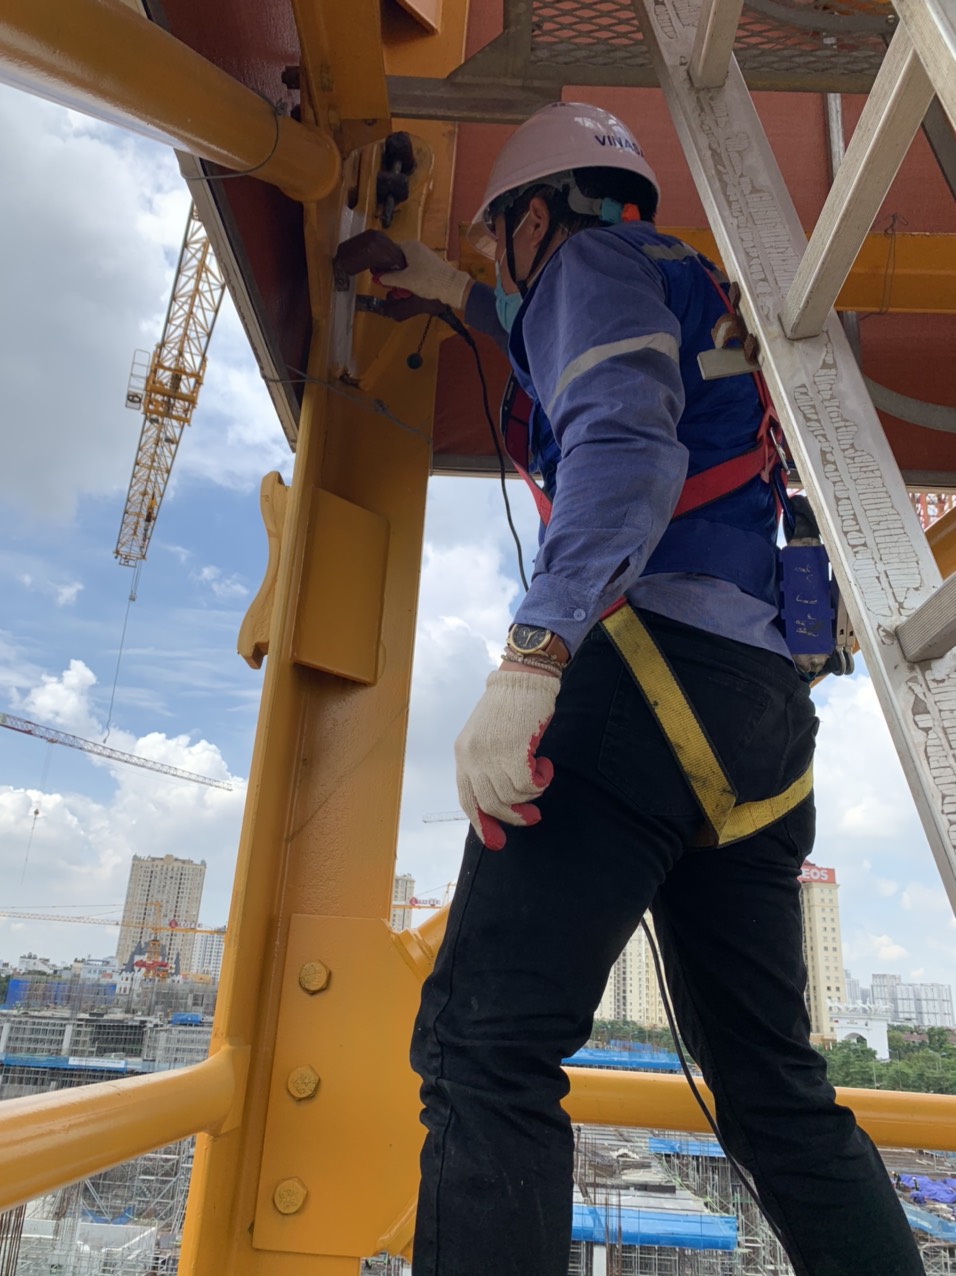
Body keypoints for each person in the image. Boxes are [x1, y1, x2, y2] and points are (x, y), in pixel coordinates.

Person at [379, 102, 924, 1276]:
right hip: (760, 717)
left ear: (535, 217)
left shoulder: (587, 264)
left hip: (641, 675)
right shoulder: (685, 280)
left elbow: (625, 447)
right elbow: (561, 341)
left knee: (484, 1050)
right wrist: (441, 284)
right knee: (771, 1089)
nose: (498, 266)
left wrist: (533, 654)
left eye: (494, 243)